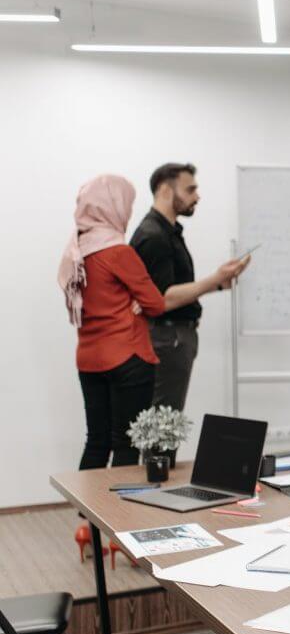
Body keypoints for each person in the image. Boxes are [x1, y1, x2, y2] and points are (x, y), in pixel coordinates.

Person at [59, 175, 167, 470]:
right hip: (127, 356)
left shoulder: (76, 253)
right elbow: (156, 304)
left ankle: (88, 516)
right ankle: (117, 518)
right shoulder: (119, 252)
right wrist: (138, 303)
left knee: (96, 442)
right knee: (126, 443)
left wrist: (134, 300)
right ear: (114, 207)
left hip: (89, 359)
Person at [129, 162, 249, 417]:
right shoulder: (154, 236)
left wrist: (218, 283)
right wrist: (213, 278)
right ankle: (161, 460)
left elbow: (171, 290)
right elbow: (162, 299)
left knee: (164, 422)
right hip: (166, 338)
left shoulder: (167, 232)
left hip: (171, 337)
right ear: (164, 190)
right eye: (190, 189)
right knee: (163, 424)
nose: (197, 196)